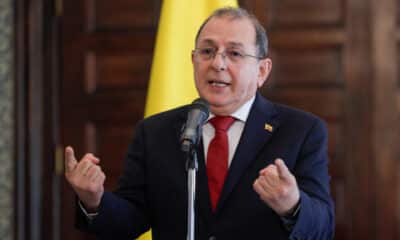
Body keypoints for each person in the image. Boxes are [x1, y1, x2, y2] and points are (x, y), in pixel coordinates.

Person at [65, 7, 335, 240]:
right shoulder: (155, 132)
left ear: (262, 71)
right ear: (193, 61)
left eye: (234, 54)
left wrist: (293, 205)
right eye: (207, 51)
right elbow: (130, 220)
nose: (217, 63)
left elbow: (323, 228)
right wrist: (93, 200)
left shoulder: (301, 131)